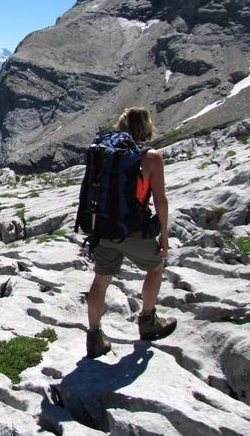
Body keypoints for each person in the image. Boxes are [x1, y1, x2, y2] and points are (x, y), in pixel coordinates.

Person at [86, 107, 177, 359]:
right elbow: (160, 199)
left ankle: (94, 336)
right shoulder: (151, 157)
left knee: (101, 280)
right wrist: (164, 238)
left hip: (103, 228)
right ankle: (148, 320)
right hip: (134, 229)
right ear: (146, 127)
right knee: (156, 266)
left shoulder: (104, 152)